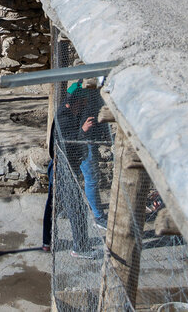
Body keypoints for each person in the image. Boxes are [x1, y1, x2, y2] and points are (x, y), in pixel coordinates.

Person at [42, 79, 109, 259]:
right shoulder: (64, 117)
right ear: (77, 102)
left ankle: (47, 242)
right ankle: (80, 248)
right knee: (77, 208)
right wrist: (84, 131)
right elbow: (68, 146)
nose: (85, 106)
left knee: (55, 204)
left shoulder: (71, 113)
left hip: (63, 166)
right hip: (62, 168)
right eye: (83, 102)